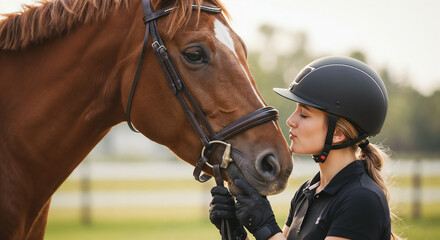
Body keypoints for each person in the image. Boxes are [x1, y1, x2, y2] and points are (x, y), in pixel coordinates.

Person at [209, 56, 400, 240]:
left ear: (337, 134)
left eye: (304, 115)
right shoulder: (308, 191)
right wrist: (235, 233)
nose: (290, 121)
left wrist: (265, 227)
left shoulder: (362, 200)